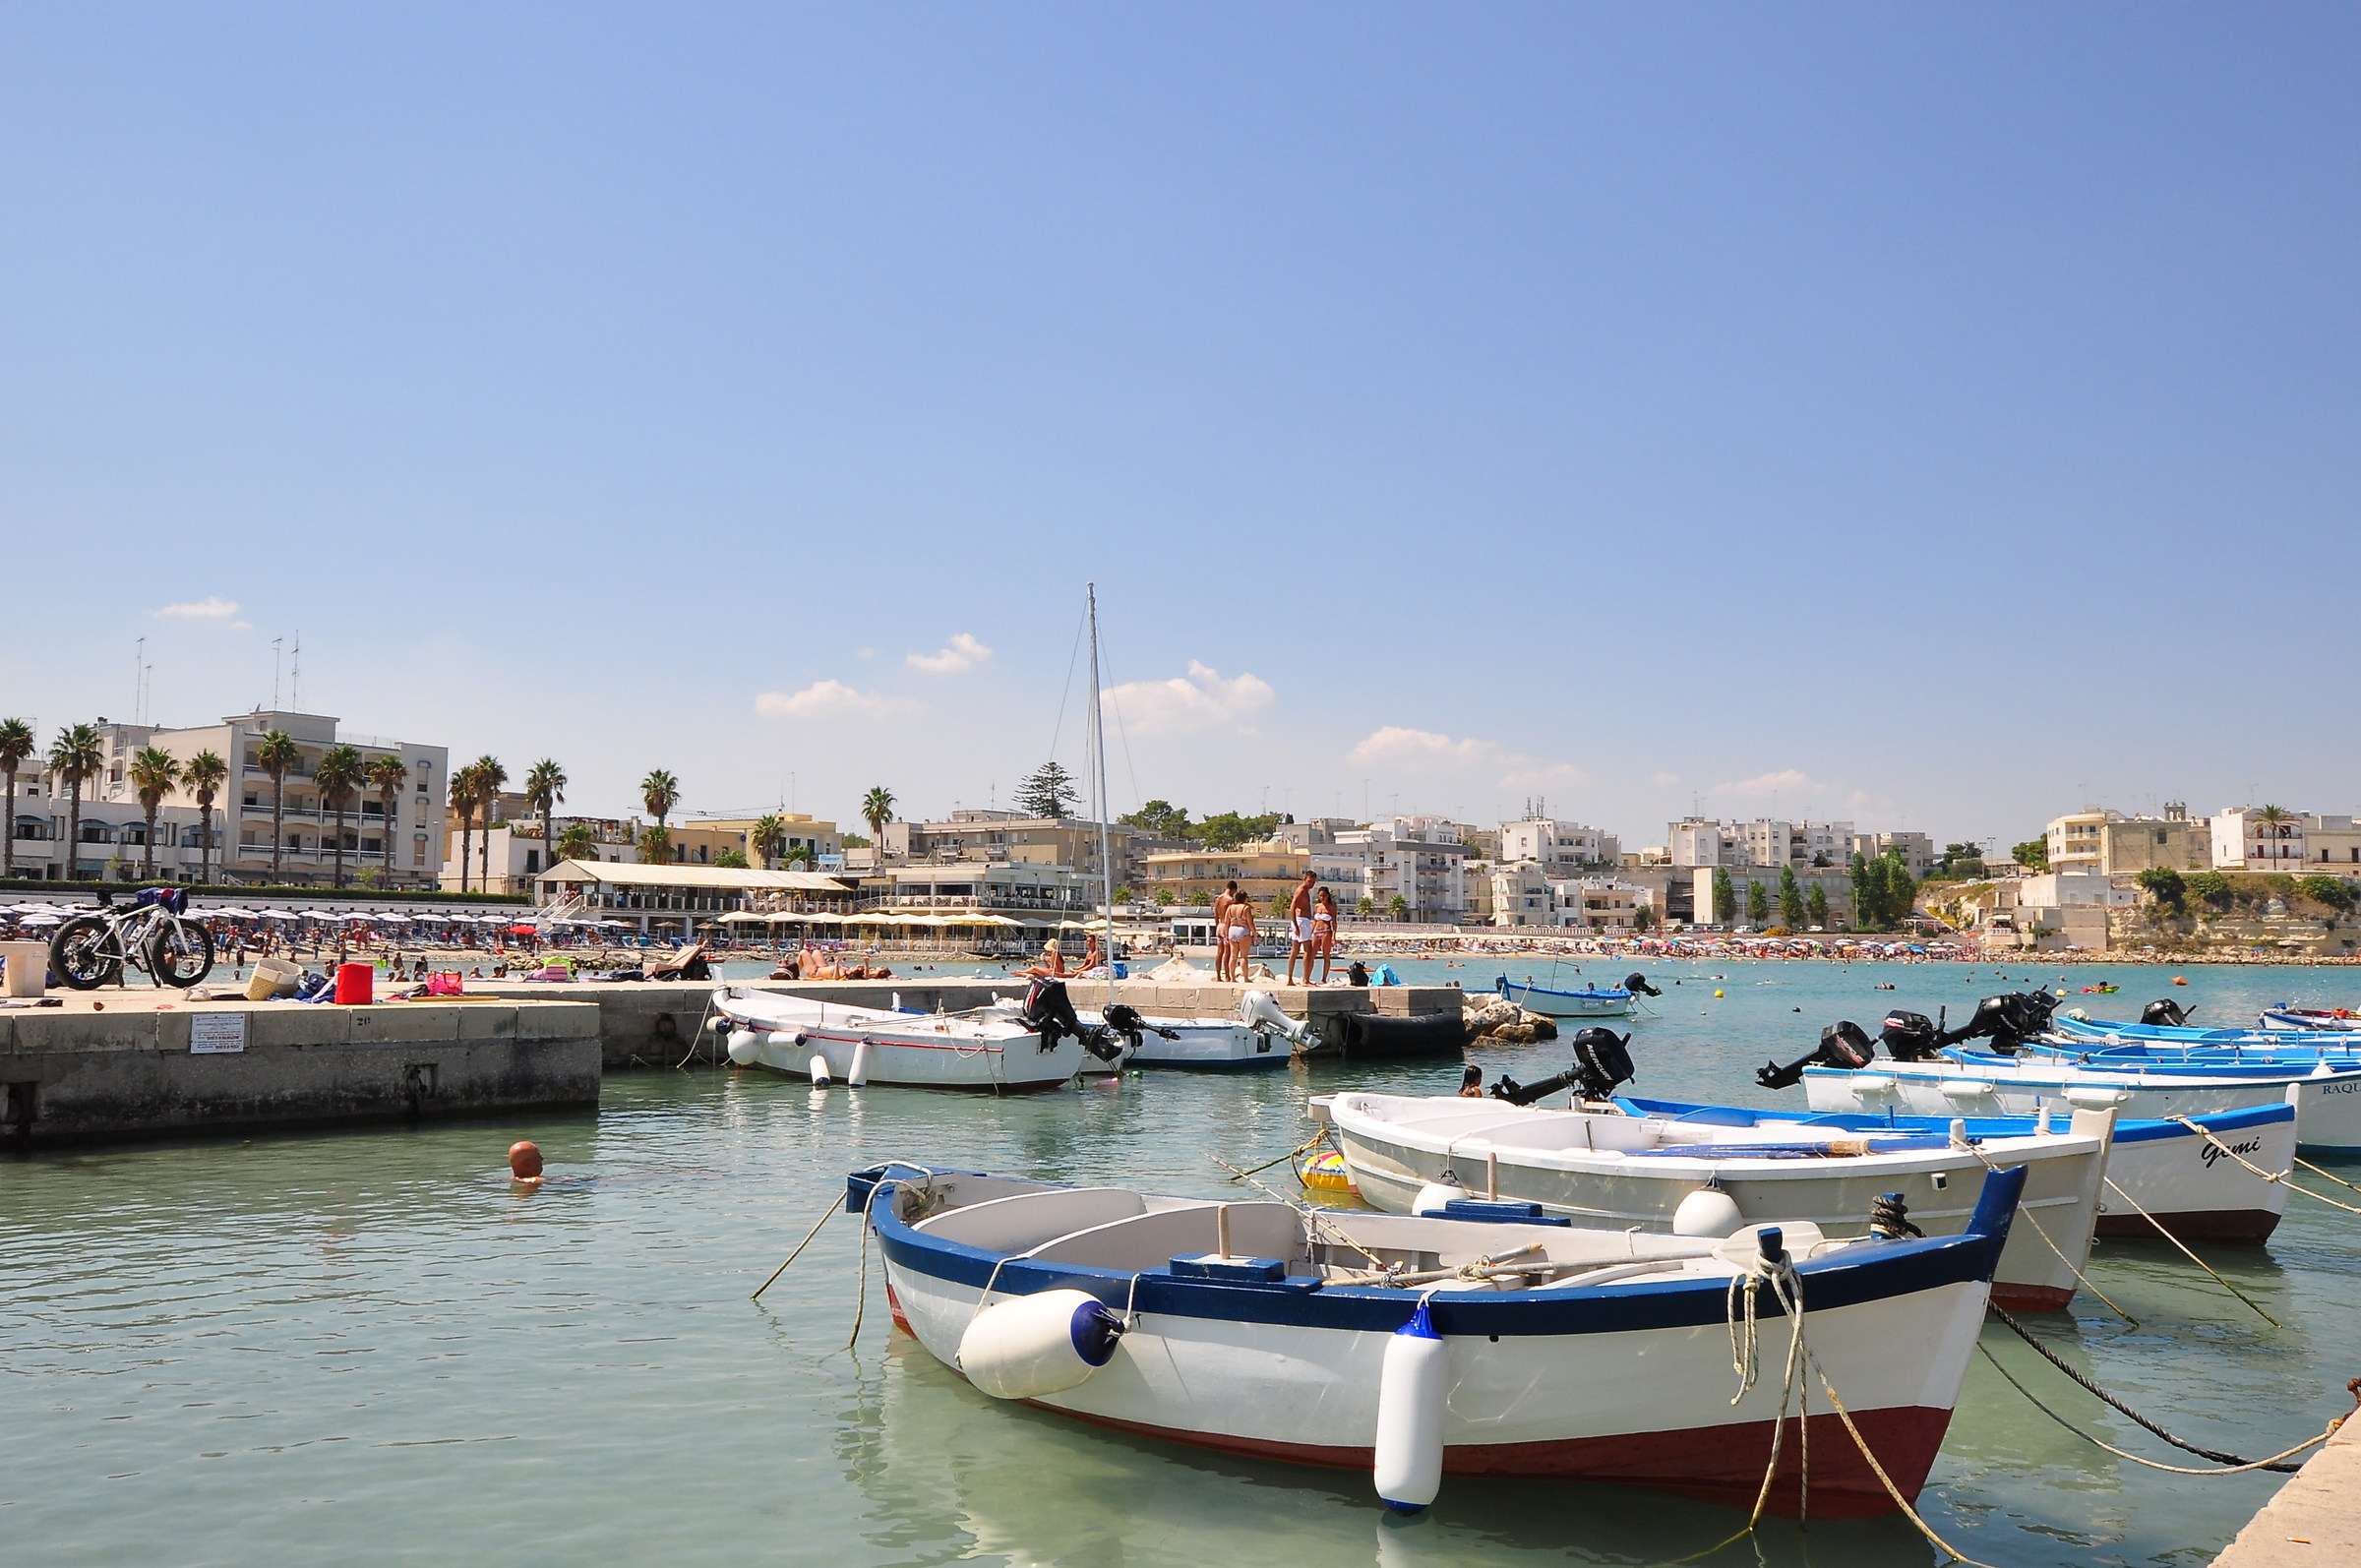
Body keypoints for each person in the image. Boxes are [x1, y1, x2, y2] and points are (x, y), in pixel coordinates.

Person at [1285, 871, 1318, 986]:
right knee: (1308, 951)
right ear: (1304, 879)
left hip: (1302, 921)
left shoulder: (1305, 891)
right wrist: (1295, 924)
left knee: (1295, 951)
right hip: (1301, 922)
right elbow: (1292, 908)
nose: (1311, 884)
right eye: (1309, 881)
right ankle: (1306, 979)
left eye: (1313, 882)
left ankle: (1290, 979)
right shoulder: (1301, 891)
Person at [1311, 887, 1339, 984]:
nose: (1322, 897)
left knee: (1326, 956)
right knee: (1311, 955)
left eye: (1324, 895)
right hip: (1316, 931)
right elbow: (1314, 921)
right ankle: (1307, 977)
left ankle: (1324, 979)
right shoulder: (1317, 906)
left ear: (1328, 896)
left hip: (1326, 931)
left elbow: (1334, 923)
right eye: (1320, 896)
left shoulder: (1332, 907)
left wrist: (1334, 936)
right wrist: (1311, 932)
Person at [1211, 881, 1238, 983]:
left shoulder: (1218, 899)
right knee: (1228, 952)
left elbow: (1215, 915)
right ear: (1233, 889)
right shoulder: (1230, 900)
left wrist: (1217, 925)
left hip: (1219, 925)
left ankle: (1218, 976)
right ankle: (1227, 976)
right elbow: (1231, 916)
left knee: (1219, 952)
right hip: (1226, 926)